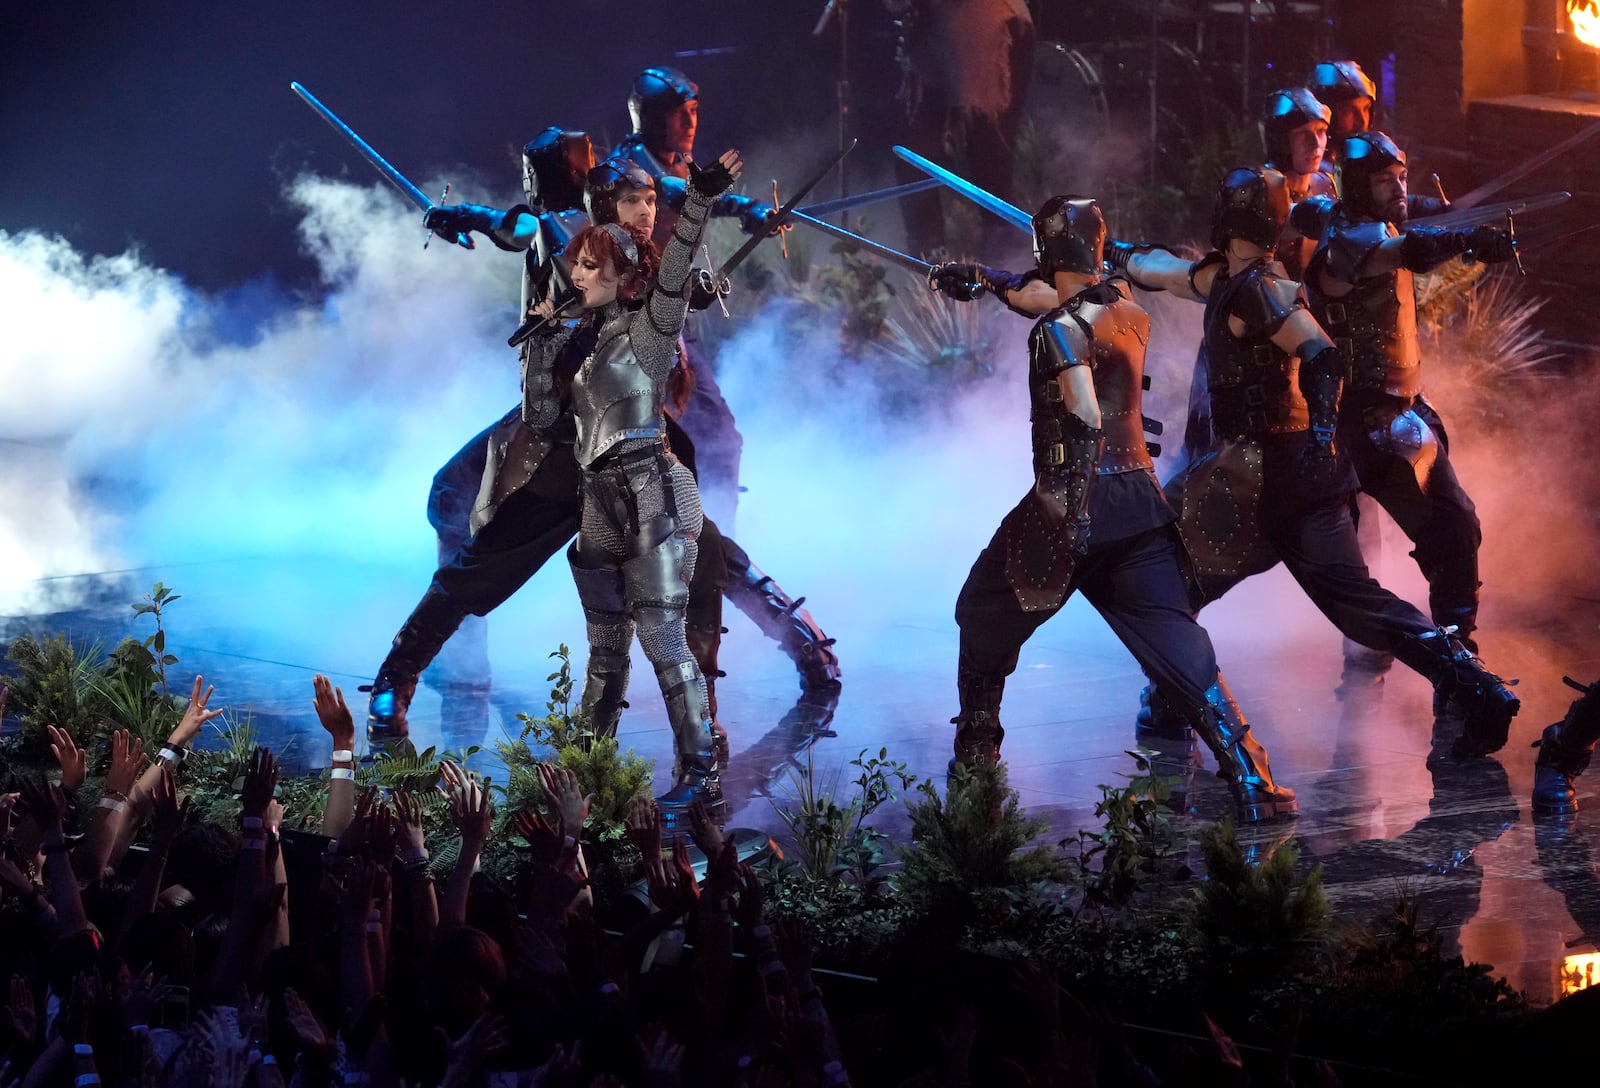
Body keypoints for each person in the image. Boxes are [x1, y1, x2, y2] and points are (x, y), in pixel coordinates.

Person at [1107, 166, 1522, 761]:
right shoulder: (1226, 277)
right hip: (1296, 476)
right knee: (1359, 603)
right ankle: (1475, 686)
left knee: (1161, 581)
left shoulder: (1261, 287)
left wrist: (1324, 432)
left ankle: (1179, 706)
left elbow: (1324, 358)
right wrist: (1112, 256)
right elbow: (1156, 268)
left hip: (1260, 475)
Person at [934, 196, 1298, 822]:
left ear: (1048, 253)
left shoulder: (1057, 330)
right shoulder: (1130, 313)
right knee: (1177, 641)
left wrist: (1070, 511)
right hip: (1138, 502)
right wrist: (990, 283)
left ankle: (976, 757)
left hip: (1070, 506)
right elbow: (1066, 304)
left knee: (982, 609)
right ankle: (1252, 775)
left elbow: (1078, 403)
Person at [362, 128, 599, 746]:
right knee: (463, 508)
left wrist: (466, 213)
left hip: (585, 428)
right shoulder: (582, 226)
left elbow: (523, 229)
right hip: (573, 414)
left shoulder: (575, 226)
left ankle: (423, 670)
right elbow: (529, 233)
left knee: (682, 548)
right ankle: (430, 667)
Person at [611, 69, 843, 691]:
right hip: (626, 341)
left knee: (721, 442)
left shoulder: (683, 165)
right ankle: (689, 554)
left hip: (671, 335)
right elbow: (668, 199)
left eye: (694, 109)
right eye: (678, 112)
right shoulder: (628, 170)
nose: (690, 122)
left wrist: (740, 222)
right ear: (647, 115)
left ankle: (715, 546)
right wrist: (734, 205)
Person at [539, 148, 743, 821]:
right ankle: (587, 772)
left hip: (652, 489)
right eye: (578, 263)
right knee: (604, 650)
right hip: (597, 497)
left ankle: (701, 773)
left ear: (622, 273)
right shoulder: (582, 343)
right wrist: (541, 342)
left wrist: (701, 205)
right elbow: (540, 418)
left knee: (662, 638)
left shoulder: (652, 331)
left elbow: (679, 267)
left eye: (591, 265)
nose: (577, 271)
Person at [1300, 132, 1512, 676]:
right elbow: (1404, 249)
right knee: (1446, 528)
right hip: (1364, 417)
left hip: (1395, 406)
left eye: (1401, 175)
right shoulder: (1349, 238)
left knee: (1447, 529)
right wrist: (1465, 240)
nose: (1398, 188)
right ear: (1356, 186)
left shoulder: (1371, 216)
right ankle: (1456, 663)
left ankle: (1450, 657)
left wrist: (1460, 221)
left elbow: (1414, 219)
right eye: (1383, 179)